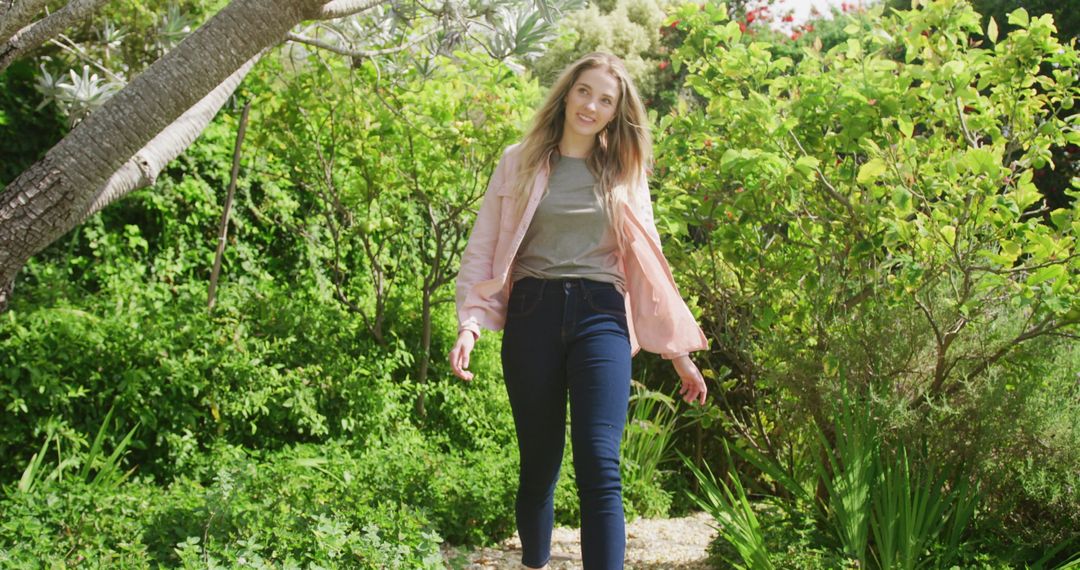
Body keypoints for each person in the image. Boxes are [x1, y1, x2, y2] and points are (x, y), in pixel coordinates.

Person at [448, 52, 709, 569]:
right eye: (585, 92)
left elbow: (649, 260)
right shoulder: (518, 160)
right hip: (533, 314)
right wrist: (471, 324)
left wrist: (678, 352)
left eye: (605, 100)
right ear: (567, 93)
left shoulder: (624, 171)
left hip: (601, 316)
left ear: (616, 112)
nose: (592, 105)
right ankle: (536, 564)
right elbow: (484, 247)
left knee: (600, 465)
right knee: (540, 466)